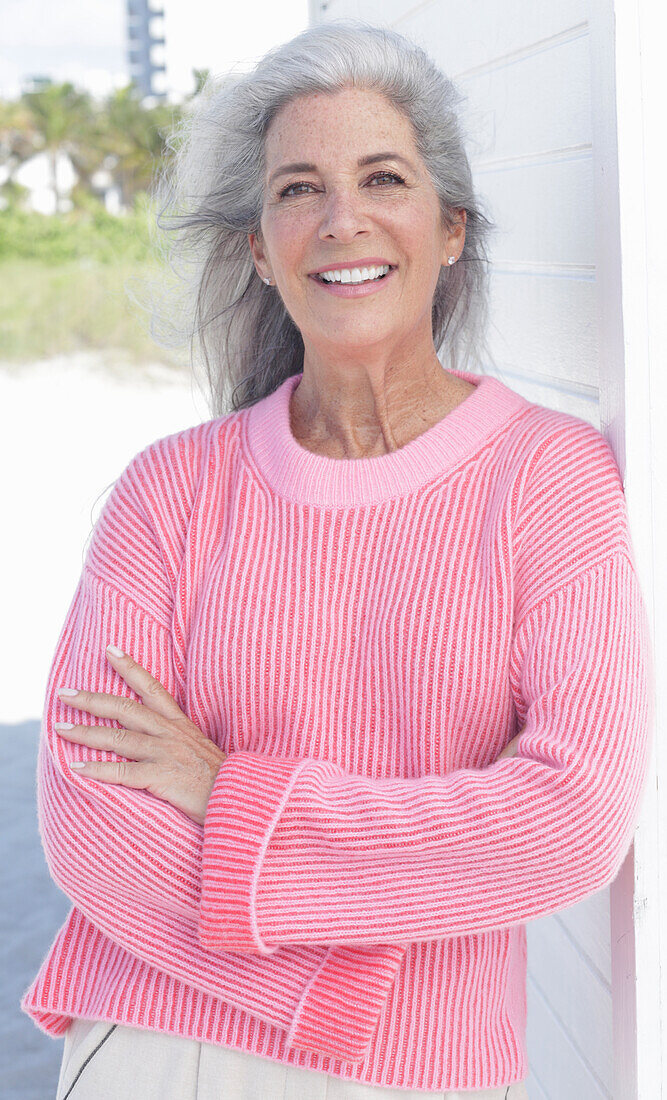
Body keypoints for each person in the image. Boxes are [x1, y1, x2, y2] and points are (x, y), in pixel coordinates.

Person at [21, 20, 653, 1100]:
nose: (340, 218)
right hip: (157, 1052)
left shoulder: (546, 480)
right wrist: (338, 979)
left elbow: (568, 822)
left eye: (382, 177)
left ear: (450, 228)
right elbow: (92, 822)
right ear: (261, 247)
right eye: (298, 187)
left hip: (423, 1078)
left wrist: (231, 794)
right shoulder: (169, 491)